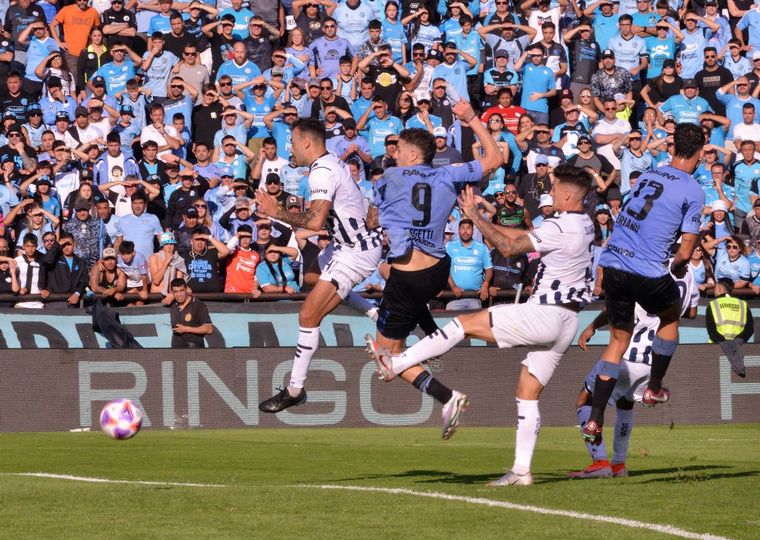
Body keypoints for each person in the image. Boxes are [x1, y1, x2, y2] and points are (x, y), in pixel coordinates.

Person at [368, 165, 595, 484]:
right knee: (527, 392)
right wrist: (485, 221)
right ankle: (521, 471)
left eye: (555, 188)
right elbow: (522, 237)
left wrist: (475, 218)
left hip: (546, 313)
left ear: (568, 195)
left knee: (463, 324)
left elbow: (508, 248)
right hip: (568, 320)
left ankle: (397, 363)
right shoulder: (584, 223)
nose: (551, 192)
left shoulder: (561, 226)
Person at [364, 100, 502, 438]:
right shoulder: (448, 173)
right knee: (388, 274)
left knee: (387, 358)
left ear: (413, 154)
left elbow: (371, 221)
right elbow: (495, 159)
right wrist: (472, 119)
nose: (394, 155)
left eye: (399, 150)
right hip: (439, 268)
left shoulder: (388, 178)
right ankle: (428, 334)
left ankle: (448, 396)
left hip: (409, 275)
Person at [583, 122, 706, 443]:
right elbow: (686, 250)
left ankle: (595, 418)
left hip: (613, 263)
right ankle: (654, 387)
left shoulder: (651, 174)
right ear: (700, 151)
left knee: (617, 341)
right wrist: (677, 267)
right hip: (646, 269)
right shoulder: (693, 189)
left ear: (673, 145)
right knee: (670, 316)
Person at [255, 117, 383, 413]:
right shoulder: (327, 163)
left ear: (306, 142)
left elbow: (314, 221)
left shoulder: (322, 172)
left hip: (356, 251)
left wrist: (276, 212)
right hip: (343, 246)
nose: (290, 148)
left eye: (292, 142)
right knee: (312, 276)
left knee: (308, 314)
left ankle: (294, 389)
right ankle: (376, 313)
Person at [569, 266, 699, 479]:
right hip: (654, 360)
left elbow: (617, 307)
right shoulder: (689, 273)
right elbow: (692, 312)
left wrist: (593, 325)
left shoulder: (644, 266)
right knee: (625, 402)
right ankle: (619, 464)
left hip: (625, 355)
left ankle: (600, 462)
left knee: (585, 401)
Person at [706, 277, 754, 378]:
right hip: (740, 349)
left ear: (719, 287)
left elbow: (711, 330)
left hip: (716, 349)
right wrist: (737, 342)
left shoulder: (712, 305)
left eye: (715, 287)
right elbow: (749, 329)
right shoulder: (743, 304)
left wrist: (725, 343)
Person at [169, 277, 213, 348]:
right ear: (172, 293)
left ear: (186, 289)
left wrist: (186, 329)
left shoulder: (198, 305)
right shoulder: (173, 306)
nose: (179, 294)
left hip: (194, 350)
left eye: (181, 290)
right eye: (175, 291)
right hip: (176, 350)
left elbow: (209, 329)